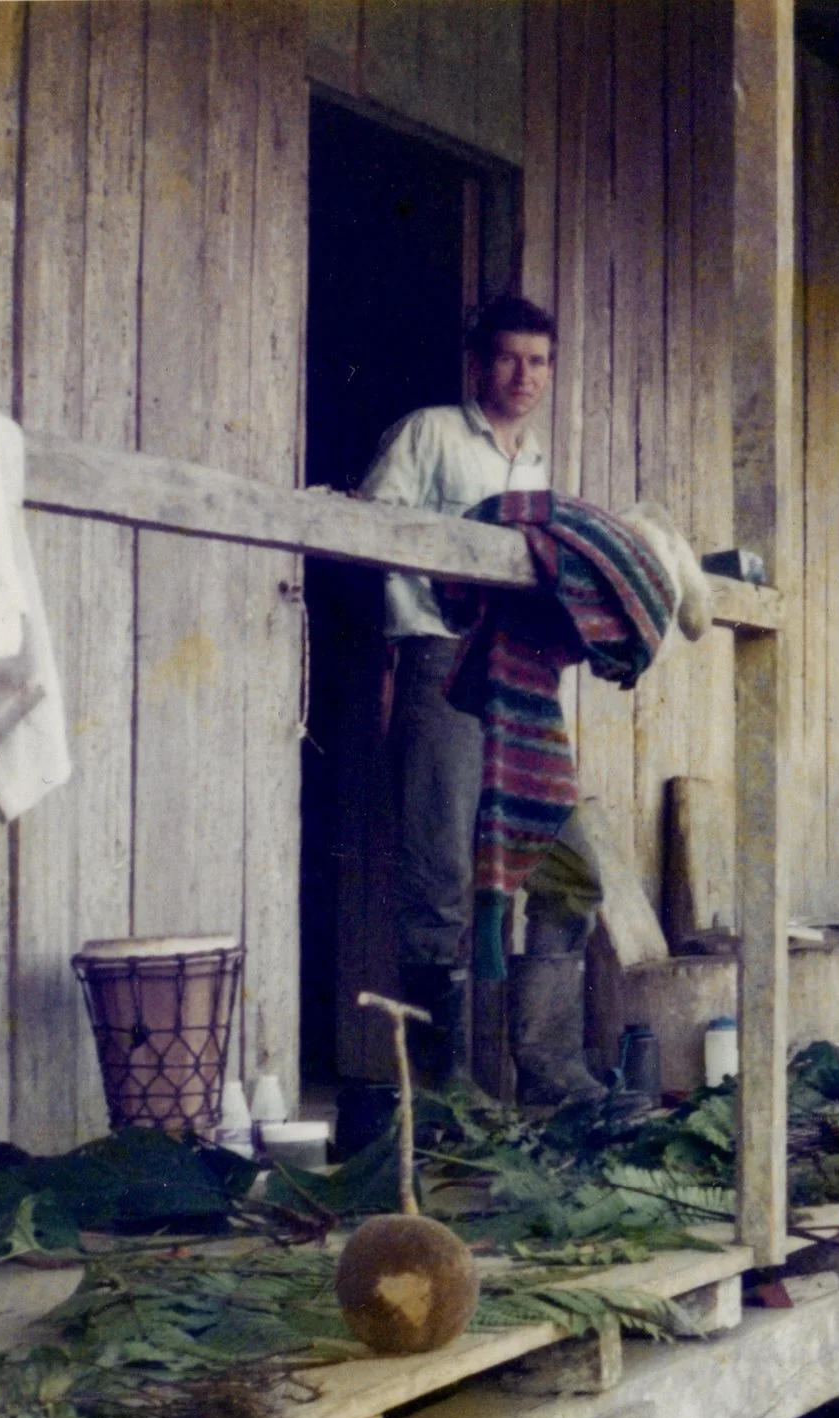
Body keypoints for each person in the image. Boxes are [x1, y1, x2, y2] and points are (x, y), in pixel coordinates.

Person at [359, 294, 558, 1081]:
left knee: (519, 859)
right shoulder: (430, 432)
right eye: (508, 357)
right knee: (438, 866)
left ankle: (516, 1076)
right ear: (478, 362)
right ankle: (441, 1094)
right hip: (441, 660)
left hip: (516, 673)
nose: (524, 375)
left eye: (539, 361)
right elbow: (372, 524)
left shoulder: (539, 462)